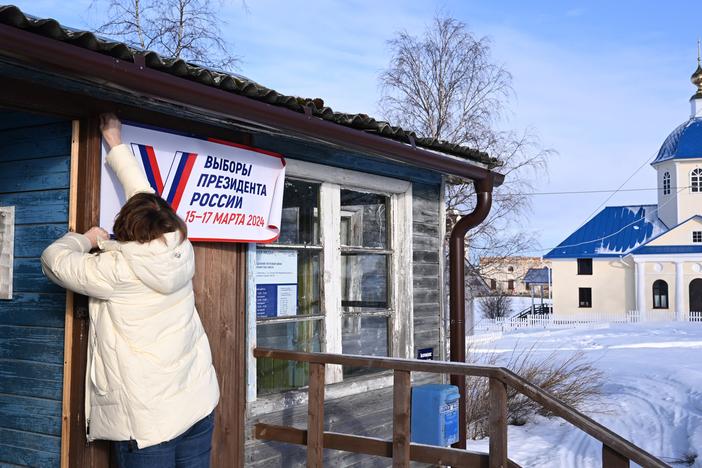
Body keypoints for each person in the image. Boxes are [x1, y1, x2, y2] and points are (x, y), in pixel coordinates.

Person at [41, 114, 220, 468]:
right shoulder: (179, 246)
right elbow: (146, 197)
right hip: (198, 405)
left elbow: (52, 260)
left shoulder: (118, 270)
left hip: (148, 423)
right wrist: (115, 141)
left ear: (127, 227)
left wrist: (87, 238)